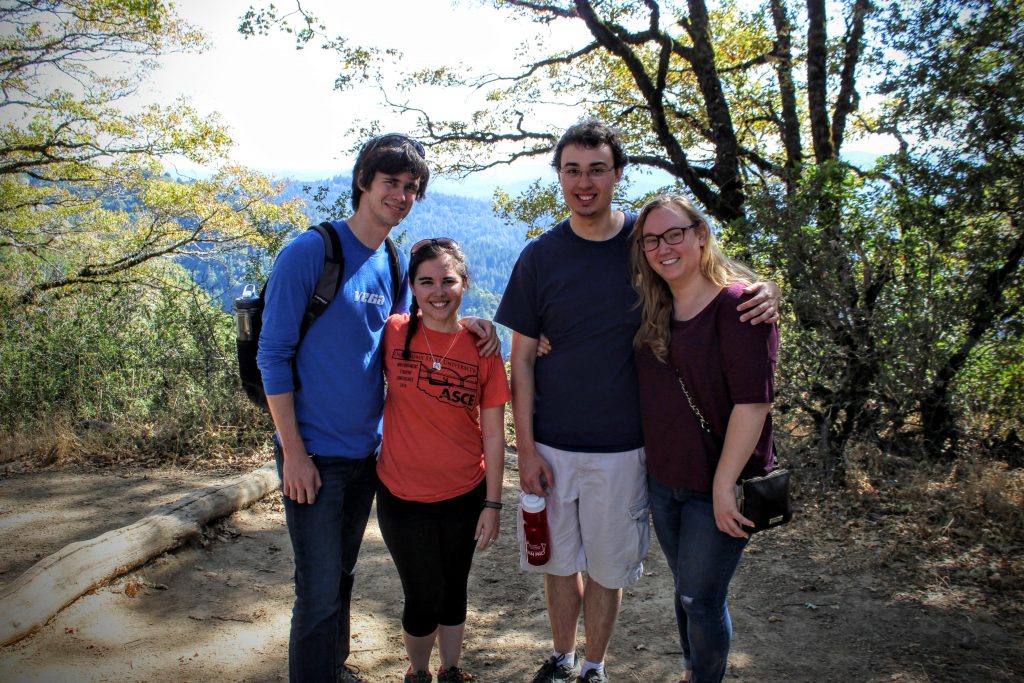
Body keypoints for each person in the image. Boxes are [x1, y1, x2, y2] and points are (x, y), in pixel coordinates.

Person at [495, 119, 780, 683]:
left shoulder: (647, 247)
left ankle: (594, 666)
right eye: (572, 170)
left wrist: (767, 292)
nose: (585, 183)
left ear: (617, 175)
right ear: (559, 176)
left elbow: (711, 283)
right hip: (552, 443)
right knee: (559, 563)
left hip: (628, 449)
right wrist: (523, 449)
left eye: (597, 169)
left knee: (608, 568)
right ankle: (561, 658)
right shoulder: (540, 256)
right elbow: (520, 357)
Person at [257, 134, 496, 683]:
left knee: (340, 578)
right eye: (391, 182)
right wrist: (293, 453)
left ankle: (332, 669)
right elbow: (273, 356)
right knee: (316, 589)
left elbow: (415, 334)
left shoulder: (390, 262)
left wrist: (475, 326)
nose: (401, 195)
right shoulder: (311, 252)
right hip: (313, 453)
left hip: (367, 455)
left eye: (412, 187)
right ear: (364, 181)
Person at [631, 194, 779, 683]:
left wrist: (722, 486)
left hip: (718, 486)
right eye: (652, 239)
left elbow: (753, 403)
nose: (663, 247)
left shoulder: (739, 306)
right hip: (665, 479)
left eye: (674, 234)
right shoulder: (654, 309)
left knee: (701, 597)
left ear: (700, 235)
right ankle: (694, 670)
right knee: (685, 589)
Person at [375, 237, 511, 683]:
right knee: (423, 594)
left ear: (464, 283)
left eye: (448, 281)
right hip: (401, 494)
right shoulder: (393, 332)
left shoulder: (484, 348)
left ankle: (451, 669)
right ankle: (418, 672)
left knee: (454, 589)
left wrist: (493, 504)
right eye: (426, 281)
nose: (438, 291)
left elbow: (494, 432)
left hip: (465, 493)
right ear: (412, 286)